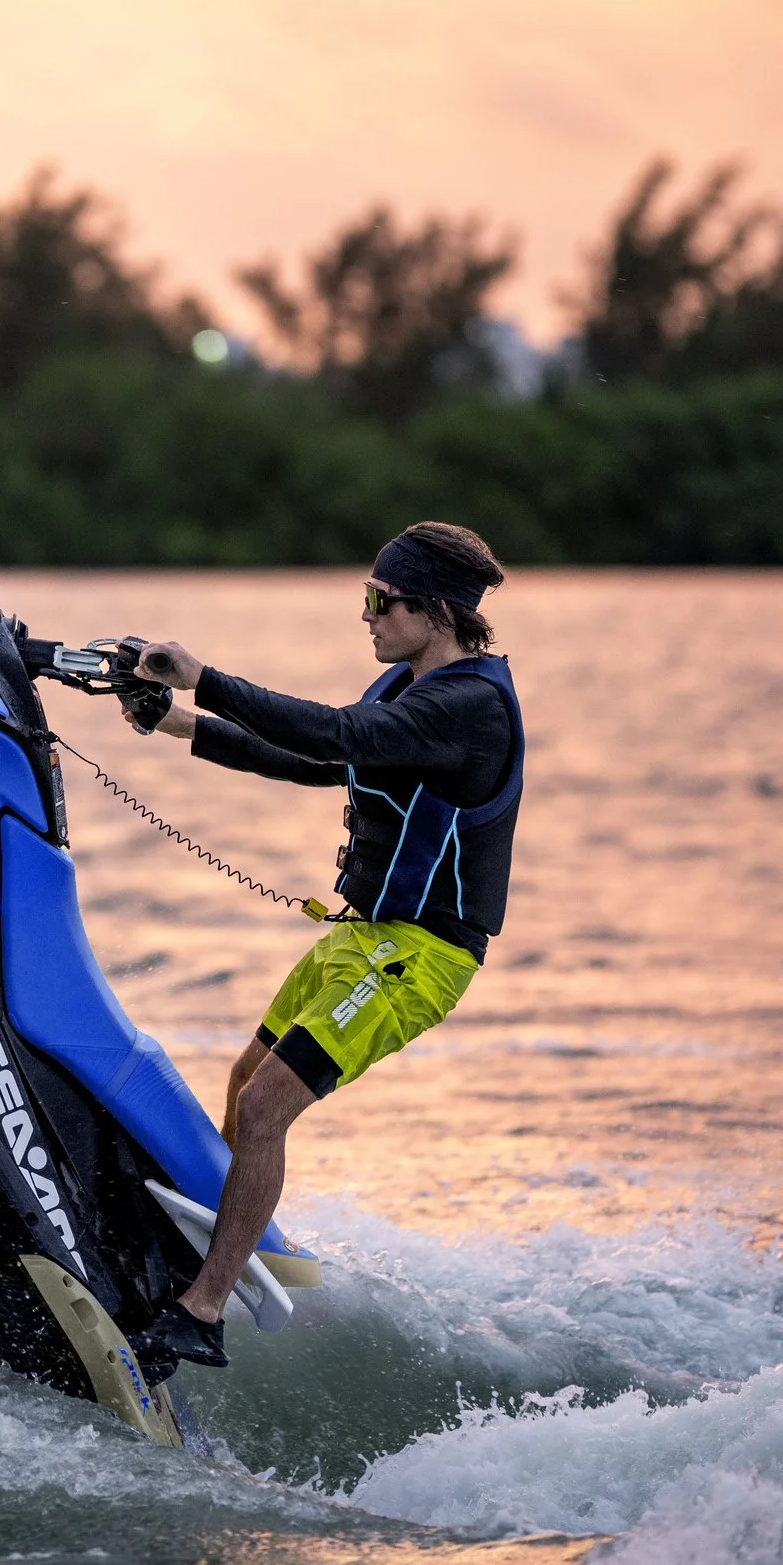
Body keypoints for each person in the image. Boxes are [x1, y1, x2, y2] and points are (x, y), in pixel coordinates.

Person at [122, 521, 524, 1379]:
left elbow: (338, 734)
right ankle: (219, 1245)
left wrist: (205, 678)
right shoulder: (411, 686)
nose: (367, 615)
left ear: (437, 611)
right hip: (364, 939)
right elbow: (318, 761)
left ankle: (203, 1312)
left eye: (381, 600)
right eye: (366, 596)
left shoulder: (468, 707)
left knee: (267, 1105)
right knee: (245, 1081)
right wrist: (177, 722)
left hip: (421, 955)